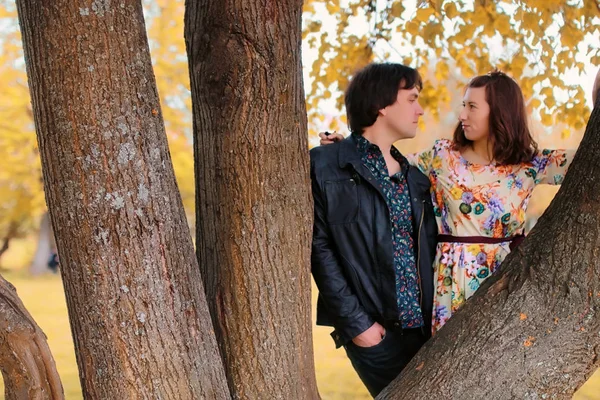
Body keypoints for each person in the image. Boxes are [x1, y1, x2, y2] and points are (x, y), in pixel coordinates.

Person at [320, 70, 580, 333]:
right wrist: (348, 147)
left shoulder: (530, 164)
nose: (462, 115)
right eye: (463, 106)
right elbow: (386, 164)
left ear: (500, 112)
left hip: (507, 281)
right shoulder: (443, 156)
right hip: (450, 281)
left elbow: (586, 161)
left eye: (472, 107)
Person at [309, 62, 437, 397]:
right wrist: (358, 326)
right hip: (374, 335)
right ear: (381, 104)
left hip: (429, 332)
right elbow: (319, 249)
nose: (420, 110)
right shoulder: (325, 165)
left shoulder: (417, 180)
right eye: (412, 99)